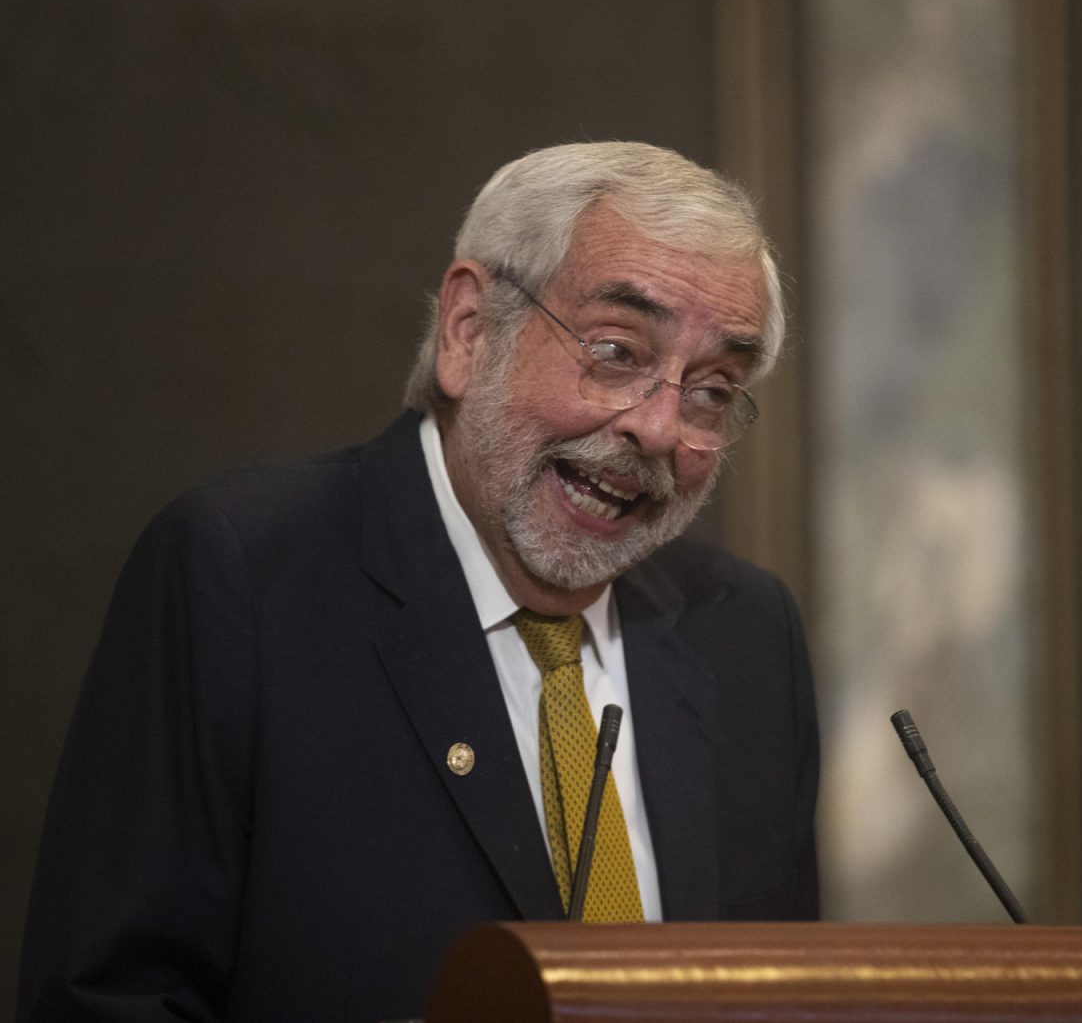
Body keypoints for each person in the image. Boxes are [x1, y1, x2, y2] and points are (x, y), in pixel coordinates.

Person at [20, 142, 820, 1022]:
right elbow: (107, 1002)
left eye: (712, 391)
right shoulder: (244, 577)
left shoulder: (742, 630)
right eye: (617, 351)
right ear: (471, 332)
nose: (661, 428)